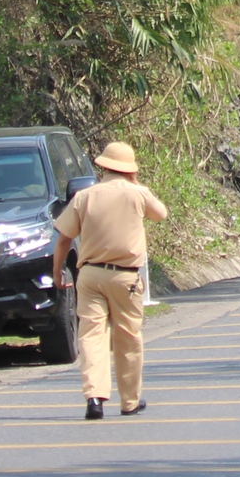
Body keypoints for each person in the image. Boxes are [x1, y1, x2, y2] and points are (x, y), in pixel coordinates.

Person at [50, 139, 168, 419]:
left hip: (89, 275)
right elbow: (160, 214)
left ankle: (94, 398)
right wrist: (137, 184)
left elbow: (64, 239)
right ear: (130, 170)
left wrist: (57, 272)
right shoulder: (137, 193)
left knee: (91, 337)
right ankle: (129, 401)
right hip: (124, 277)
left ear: (102, 167)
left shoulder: (84, 196)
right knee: (128, 338)